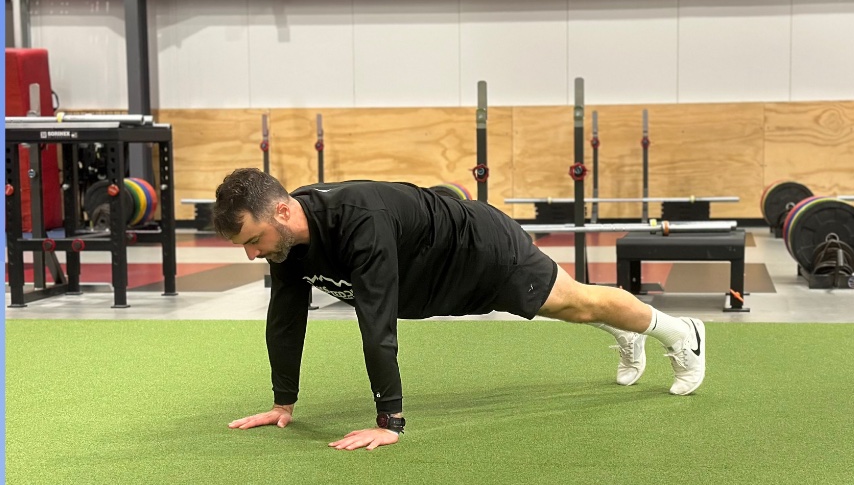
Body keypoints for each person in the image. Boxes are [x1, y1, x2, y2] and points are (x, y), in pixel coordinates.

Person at [212, 168, 706, 451]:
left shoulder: (359, 221)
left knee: (575, 303)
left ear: (281, 211)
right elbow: (285, 317)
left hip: (479, 250)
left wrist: (390, 424)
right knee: (571, 309)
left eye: (254, 240)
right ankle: (626, 331)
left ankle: (681, 334)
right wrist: (283, 403)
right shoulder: (286, 246)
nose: (253, 254)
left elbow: (376, 323)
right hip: (430, 278)